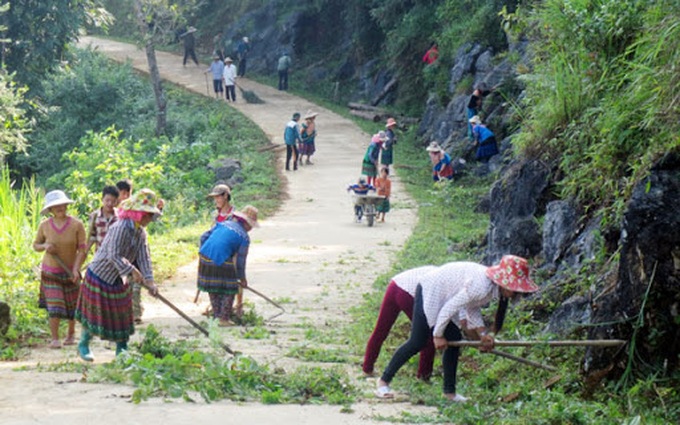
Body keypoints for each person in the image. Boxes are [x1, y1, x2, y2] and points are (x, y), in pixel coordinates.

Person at [375, 255, 540, 401]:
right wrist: (437, 334)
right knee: (417, 341)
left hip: (445, 297)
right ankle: (383, 381)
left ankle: (449, 393)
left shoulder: (489, 288)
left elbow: (471, 307)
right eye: (515, 289)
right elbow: (449, 308)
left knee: (455, 340)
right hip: (430, 291)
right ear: (504, 283)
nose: (517, 293)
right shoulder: (482, 286)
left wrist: (483, 334)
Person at [75, 189, 161, 361]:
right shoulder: (120, 227)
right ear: (139, 213)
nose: (150, 219)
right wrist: (131, 270)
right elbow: (113, 255)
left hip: (117, 277)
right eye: (148, 215)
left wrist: (150, 281)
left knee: (122, 314)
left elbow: (144, 257)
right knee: (94, 313)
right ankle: (83, 343)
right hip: (100, 273)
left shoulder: (140, 232)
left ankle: (122, 349)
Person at [33, 190, 87, 349]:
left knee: (72, 306)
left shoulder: (77, 225)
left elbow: (82, 249)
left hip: (71, 272)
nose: (59, 208)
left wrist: (76, 269)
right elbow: (35, 245)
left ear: (66, 205)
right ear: (50, 210)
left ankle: (71, 335)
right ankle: (55, 338)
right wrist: (45, 246)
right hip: (51, 273)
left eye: (61, 205)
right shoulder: (44, 226)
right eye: (55, 206)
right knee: (54, 306)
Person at [363, 265, 437, 379]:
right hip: (408, 293)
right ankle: (423, 375)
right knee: (427, 335)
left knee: (381, 329)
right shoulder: (449, 286)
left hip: (395, 284)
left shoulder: (442, 274)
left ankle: (367, 368)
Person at [197, 205, 259, 326]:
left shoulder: (224, 224)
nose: (251, 228)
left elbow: (203, 237)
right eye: (251, 225)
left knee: (213, 285)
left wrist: (206, 251)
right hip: (220, 257)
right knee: (230, 286)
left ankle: (216, 315)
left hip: (204, 255)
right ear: (246, 223)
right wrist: (242, 279)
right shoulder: (244, 237)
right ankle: (224, 318)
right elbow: (241, 262)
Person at [86, 185, 120, 255]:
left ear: (117, 202)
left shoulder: (120, 217)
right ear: (102, 199)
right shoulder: (94, 216)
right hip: (100, 256)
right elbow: (92, 236)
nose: (110, 204)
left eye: (113, 201)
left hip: (116, 256)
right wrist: (84, 252)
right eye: (107, 200)